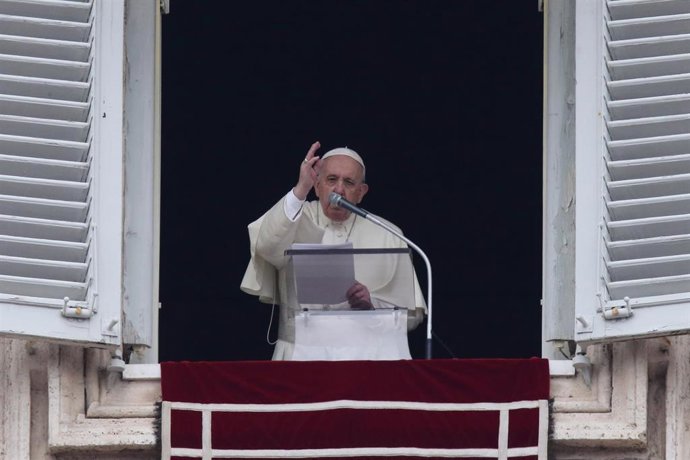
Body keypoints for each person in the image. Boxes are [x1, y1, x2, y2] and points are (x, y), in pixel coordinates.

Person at [240, 141, 426, 359]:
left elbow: (412, 316)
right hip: (301, 356)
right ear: (317, 186)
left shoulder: (388, 234)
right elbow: (266, 246)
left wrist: (371, 305)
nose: (339, 189)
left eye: (348, 182)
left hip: (367, 358)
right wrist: (301, 189)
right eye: (331, 180)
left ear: (361, 192)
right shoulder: (294, 218)